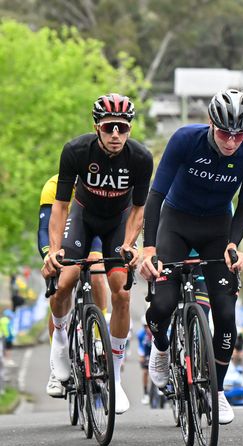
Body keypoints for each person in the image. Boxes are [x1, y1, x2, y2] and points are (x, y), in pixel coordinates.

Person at [139, 89, 243, 425]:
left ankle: (219, 391)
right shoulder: (186, 140)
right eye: (225, 132)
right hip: (175, 224)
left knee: (225, 313)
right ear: (212, 124)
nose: (231, 141)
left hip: (217, 229)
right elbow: (156, 195)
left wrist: (233, 244)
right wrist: (150, 248)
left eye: (240, 134)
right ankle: (163, 347)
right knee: (163, 305)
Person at [43, 93, 153, 414]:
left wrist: (130, 244)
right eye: (109, 128)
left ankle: (115, 377)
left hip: (117, 224)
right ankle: (60, 343)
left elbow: (138, 208)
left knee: (121, 293)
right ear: (97, 128)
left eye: (122, 127)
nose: (116, 134)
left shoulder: (141, 158)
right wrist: (53, 250)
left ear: (129, 129)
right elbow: (61, 205)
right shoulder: (76, 151)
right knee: (65, 280)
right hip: (82, 218)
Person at [38, 173, 110, 398]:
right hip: (62, 240)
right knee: (60, 289)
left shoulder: (100, 183)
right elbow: (43, 228)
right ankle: (56, 360)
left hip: (93, 232)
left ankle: (99, 333)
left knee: (97, 273)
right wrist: (49, 256)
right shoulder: (54, 185)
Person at [137, 314, 153, 405]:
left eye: (149, 327)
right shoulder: (140, 334)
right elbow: (141, 347)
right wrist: (141, 356)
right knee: (145, 372)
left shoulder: (157, 332)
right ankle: (145, 392)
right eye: (146, 327)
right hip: (146, 352)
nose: (148, 329)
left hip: (155, 351)